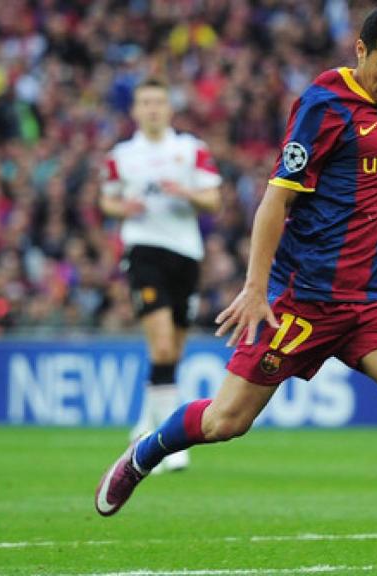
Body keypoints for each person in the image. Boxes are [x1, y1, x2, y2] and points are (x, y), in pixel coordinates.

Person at [95, 3, 377, 572]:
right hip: (303, 303)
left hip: (374, 304)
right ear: (361, 51)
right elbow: (277, 199)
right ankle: (145, 452)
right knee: (226, 421)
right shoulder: (326, 105)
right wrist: (255, 287)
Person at [98, 77, 222, 472]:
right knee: (164, 347)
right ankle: (170, 446)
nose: (152, 109)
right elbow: (107, 199)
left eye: (158, 102)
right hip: (144, 251)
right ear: (135, 110)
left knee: (172, 352)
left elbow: (214, 199)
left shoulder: (190, 150)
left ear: (169, 108)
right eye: (145, 102)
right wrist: (123, 209)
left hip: (186, 254)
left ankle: (146, 422)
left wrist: (185, 193)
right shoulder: (122, 155)